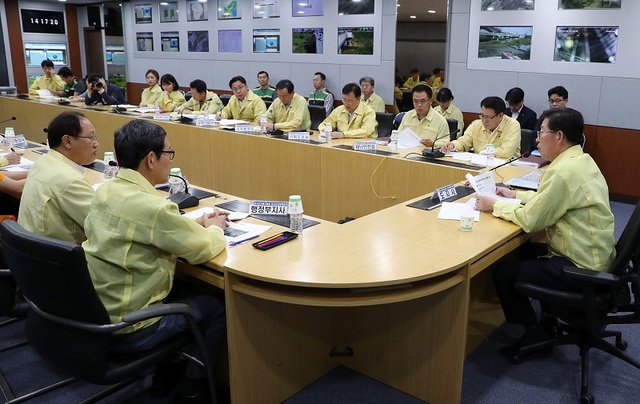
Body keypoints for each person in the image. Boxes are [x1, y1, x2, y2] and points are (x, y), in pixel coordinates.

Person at [82, 119, 227, 402]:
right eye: (169, 153)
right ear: (151, 158)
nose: (171, 160)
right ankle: (194, 387)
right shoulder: (154, 208)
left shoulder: (106, 190)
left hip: (95, 309)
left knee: (183, 290)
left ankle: (167, 371)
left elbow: (144, 226)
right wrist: (216, 229)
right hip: (130, 327)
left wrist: (194, 221)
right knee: (214, 307)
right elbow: (202, 249)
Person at [475, 108, 615, 354]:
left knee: (503, 273)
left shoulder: (562, 172)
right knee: (527, 250)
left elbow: (532, 221)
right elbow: (551, 200)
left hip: (580, 267)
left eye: (541, 132)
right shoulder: (581, 160)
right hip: (598, 256)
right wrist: (515, 195)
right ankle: (550, 314)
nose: (537, 139)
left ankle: (535, 337)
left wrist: (495, 205)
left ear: (558, 136)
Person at [18, 112, 98, 244]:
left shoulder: (43, 161)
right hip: (61, 259)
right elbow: (104, 225)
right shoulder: (70, 180)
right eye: (91, 138)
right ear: (67, 141)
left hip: (30, 252)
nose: (96, 144)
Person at [441, 96, 521, 159]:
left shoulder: (513, 125)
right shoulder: (476, 125)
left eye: (488, 117)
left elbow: (506, 152)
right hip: (480, 166)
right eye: (482, 116)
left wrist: (485, 152)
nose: (484, 120)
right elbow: (464, 141)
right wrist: (452, 145)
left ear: (500, 116)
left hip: (506, 167)